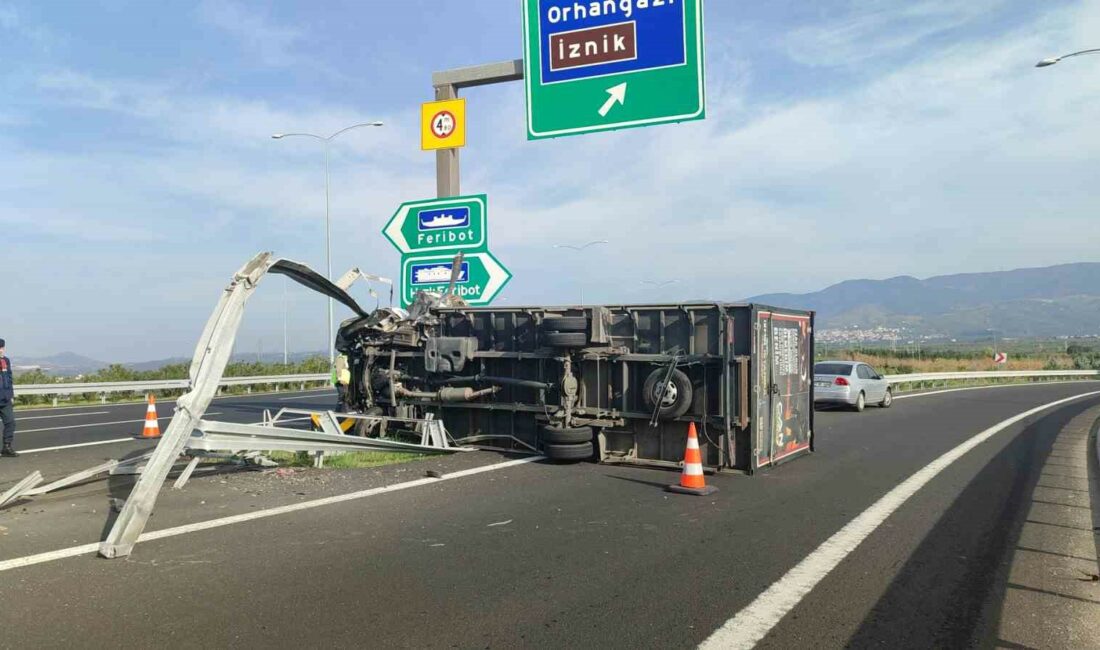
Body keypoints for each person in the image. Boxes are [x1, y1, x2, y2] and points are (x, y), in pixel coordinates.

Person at [0, 338, 17, 457]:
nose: (1, 350)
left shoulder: (6, 361)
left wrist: (11, 395)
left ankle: (7, 446)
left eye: (2, 348)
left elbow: (9, 379)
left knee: (10, 422)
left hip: (5, 399)